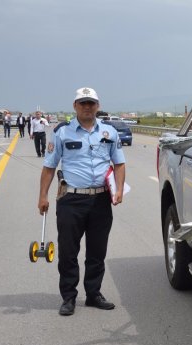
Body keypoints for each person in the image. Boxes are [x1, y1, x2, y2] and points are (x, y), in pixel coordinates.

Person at [38, 87, 126, 316]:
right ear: (75, 106)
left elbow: (119, 163)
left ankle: (94, 294)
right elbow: (49, 167)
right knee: (68, 251)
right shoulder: (62, 133)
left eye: (91, 103)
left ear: (97, 105)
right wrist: (43, 196)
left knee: (97, 251)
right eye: (83, 103)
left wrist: (118, 191)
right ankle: (68, 297)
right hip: (71, 199)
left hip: (100, 200)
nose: (87, 107)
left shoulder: (109, 132)